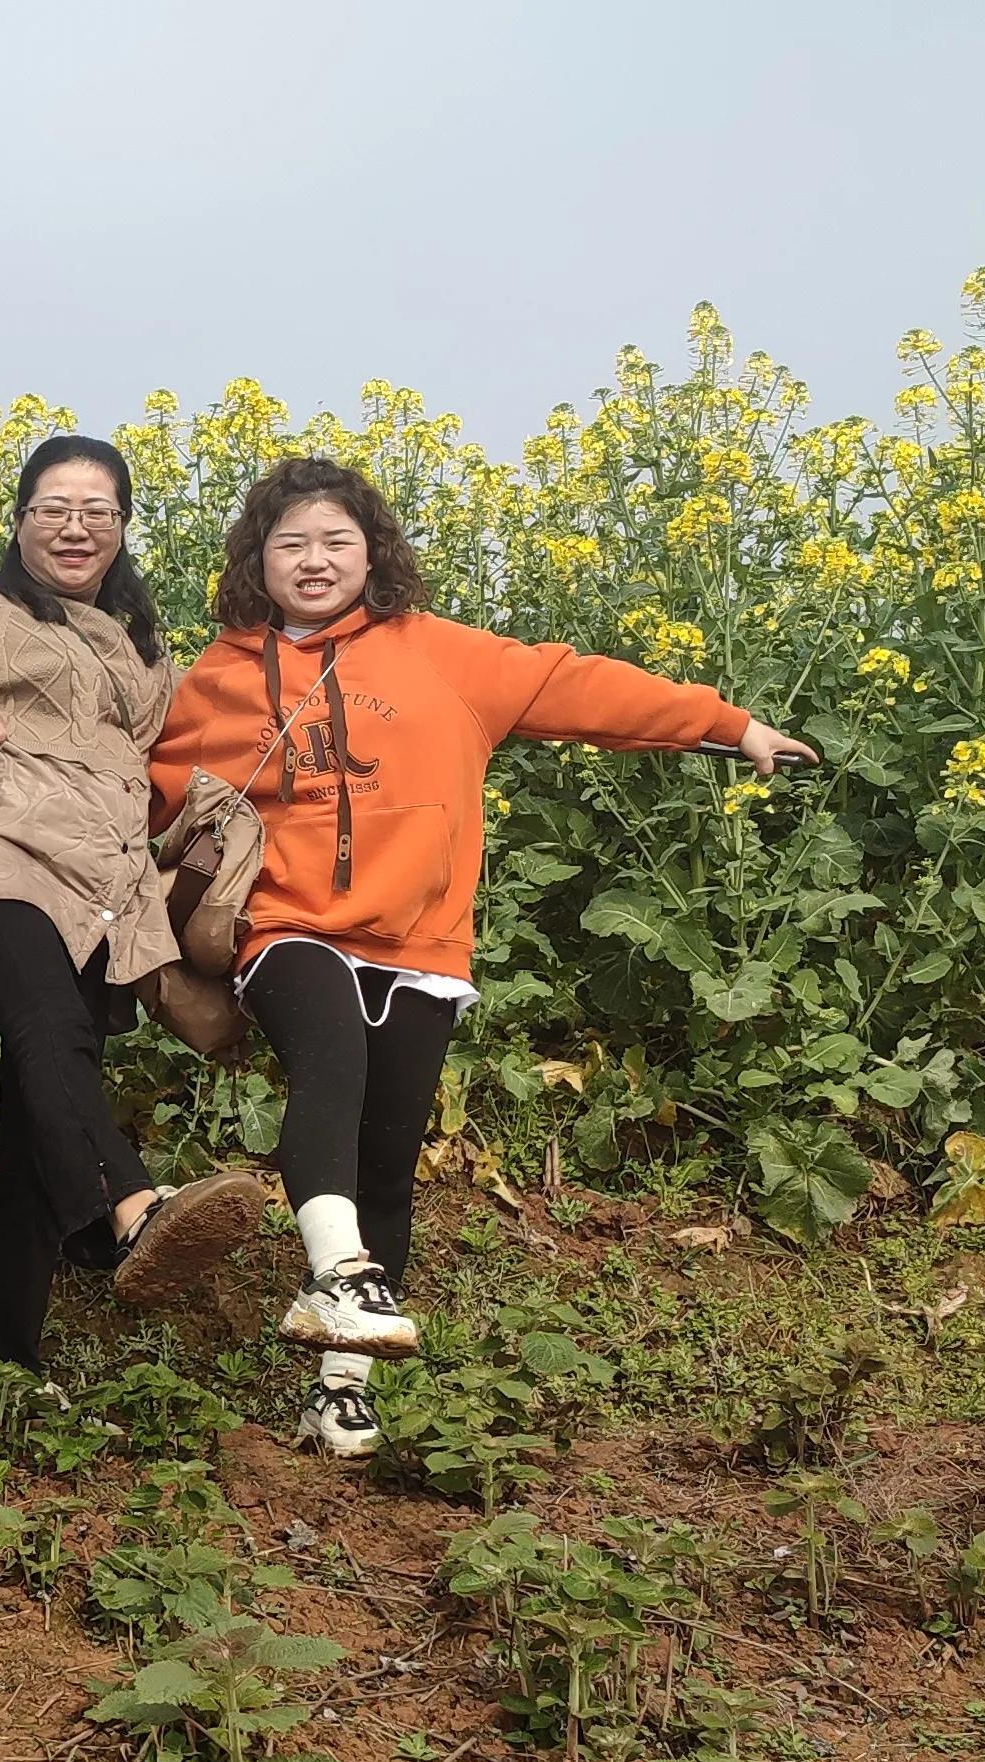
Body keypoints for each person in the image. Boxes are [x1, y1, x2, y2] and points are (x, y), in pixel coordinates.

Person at [151, 455, 816, 1456]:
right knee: (326, 1063)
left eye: (336, 540)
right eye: (290, 544)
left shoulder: (441, 654)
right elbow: (146, 789)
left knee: (388, 1157)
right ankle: (338, 1272)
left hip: (418, 941)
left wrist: (727, 726)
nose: (314, 559)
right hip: (284, 927)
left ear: (371, 552)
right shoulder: (216, 677)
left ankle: (344, 1390)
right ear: (257, 560)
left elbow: (576, 687)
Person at [0, 436, 262, 1374]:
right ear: (20, 522)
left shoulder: (145, 650)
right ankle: (130, 1209)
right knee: (48, 1033)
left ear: (123, 528)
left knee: (43, 1101)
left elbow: (189, 749)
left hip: (107, 885)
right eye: (54, 508)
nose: (76, 527)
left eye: (99, 512)